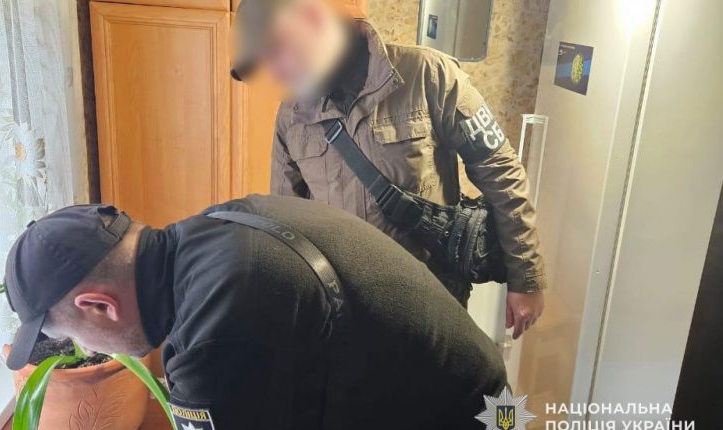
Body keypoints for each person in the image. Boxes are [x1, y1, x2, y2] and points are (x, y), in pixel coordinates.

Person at [4, 197, 506, 429]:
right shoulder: (216, 228)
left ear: (98, 306)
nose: (88, 351)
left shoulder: (217, 324)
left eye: (78, 337)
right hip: (484, 399)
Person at [231, 0, 547, 339]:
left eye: (277, 50)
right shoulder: (291, 117)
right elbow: (286, 224)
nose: (276, 73)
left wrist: (525, 276)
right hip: (346, 318)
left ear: (311, 18)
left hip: (432, 310)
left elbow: (500, 171)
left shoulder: (429, 75)